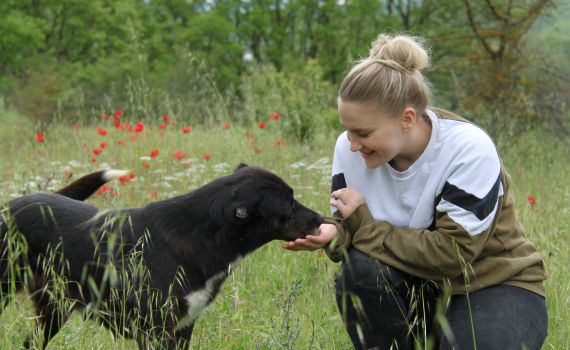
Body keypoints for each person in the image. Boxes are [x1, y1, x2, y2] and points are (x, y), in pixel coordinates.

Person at [283, 33, 548, 350]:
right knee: (362, 270)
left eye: (363, 133)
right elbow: (353, 232)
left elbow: (453, 256)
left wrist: (362, 227)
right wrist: (333, 233)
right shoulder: (351, 148)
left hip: (490, 282)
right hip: (413, 282)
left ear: (407, 118)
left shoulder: (468, 149)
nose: (351, 144)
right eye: (347, 130)